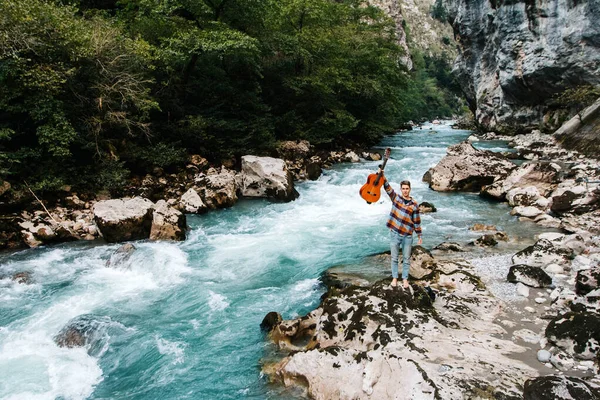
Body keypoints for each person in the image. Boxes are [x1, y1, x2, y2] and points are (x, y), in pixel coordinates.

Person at [380, 175, 422, 288]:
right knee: (394, 258)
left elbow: (417, 221)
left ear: (410, 189)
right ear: (401, 189)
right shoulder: (396, 198)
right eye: (403, 188)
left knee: (406, 259)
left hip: (407, 235)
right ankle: (394, 278)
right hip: (394, 233)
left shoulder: (414, 205)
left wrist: (419, 235)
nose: (405, 190)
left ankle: (405, 279)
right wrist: (382, 177)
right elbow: (388, 189)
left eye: (407, 188)